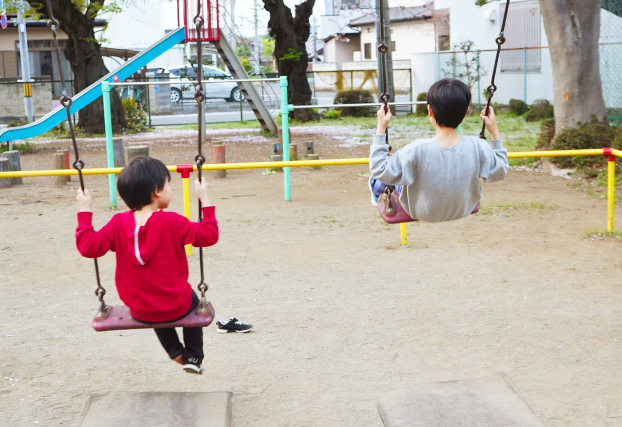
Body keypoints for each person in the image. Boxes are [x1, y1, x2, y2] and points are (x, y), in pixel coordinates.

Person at [75, 156, 220, 374]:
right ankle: (193, 355)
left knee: (152, 305)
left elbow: (88, 247)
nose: (171, 188)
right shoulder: (173, 222)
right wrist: (205, 199)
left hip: (139, 309)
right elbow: (209, 235)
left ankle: (175, 351)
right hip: (176, 305)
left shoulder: (117, 224)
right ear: (157, 191)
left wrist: (84, 211)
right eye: (169, 184)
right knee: (192, 302)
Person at [368, 78, 509, 223]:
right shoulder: (478, 147)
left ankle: (376, 192)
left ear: (430, 110)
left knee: (388, 173)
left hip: (420, 211)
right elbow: (500, 170)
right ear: (466, 112)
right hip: (463, 208)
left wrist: (381, 127)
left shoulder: (415, 150)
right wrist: (494, 131)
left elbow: (379, 168)